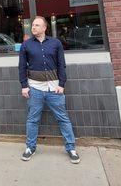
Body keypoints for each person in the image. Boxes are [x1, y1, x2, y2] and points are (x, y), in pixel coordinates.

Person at [18, 16, 80, 164]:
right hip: (35, 89)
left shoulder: (55, 43)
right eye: (32, 25)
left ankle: (71, 148)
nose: (33, 27)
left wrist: (62, 84)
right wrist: (24, 86)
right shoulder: (26, 45)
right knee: (33, 119)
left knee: (63, 118)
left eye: (37, 25)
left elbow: (61, 65)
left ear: (45, 28)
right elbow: (22, 67)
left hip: (54, 88)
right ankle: (30, 147)